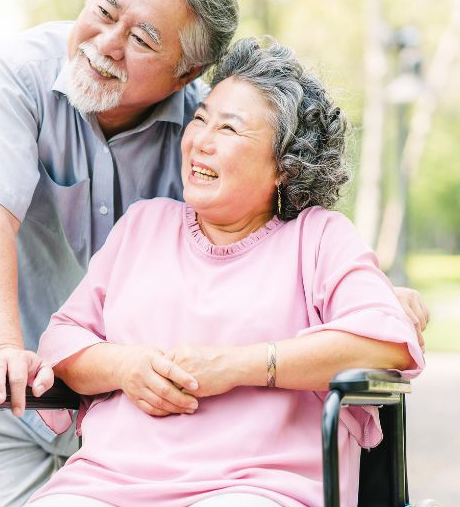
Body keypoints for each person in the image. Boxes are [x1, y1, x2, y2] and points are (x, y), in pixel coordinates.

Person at [0, 0, 429, 507]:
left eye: (143, 38)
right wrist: (27, 352)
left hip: (243, 480)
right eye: (104, 11)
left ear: (184, 75)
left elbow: (296, 244)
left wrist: (365, 293)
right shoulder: (22, 82)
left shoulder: (218, 134)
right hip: (15, 381)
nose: (108, 42)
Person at [26, 38, 425, 507]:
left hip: (256, 486)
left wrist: (236, 366)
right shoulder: (142, 225)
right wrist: (124, 365)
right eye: (200, 119)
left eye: (230, 129)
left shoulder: (319, 238)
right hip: (107, 482)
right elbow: (62, 340)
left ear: (284, 165)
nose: (200, 141)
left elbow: (387, 343)